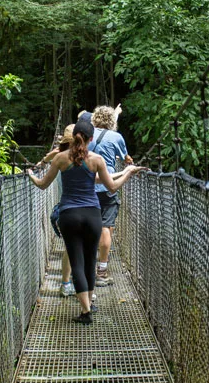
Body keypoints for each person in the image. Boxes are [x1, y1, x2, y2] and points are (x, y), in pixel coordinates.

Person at [28, 120, 144, 325]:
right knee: (91, 261)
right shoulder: (97, 160)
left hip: (69, 216)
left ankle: (85, 311)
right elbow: (111, 186)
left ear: (74, 137)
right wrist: (127, 172)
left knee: (77, 262)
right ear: (91, 139)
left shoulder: (60, 159)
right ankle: (89, 304)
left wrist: (30, 175)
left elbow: (43, 185)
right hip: (93, 216)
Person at [88, 105, 131, 286]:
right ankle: (102, 271)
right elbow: (124, 157)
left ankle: (85, 269)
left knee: (88, 227)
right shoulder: (116, 137)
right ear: (112, 121)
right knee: (106, 227)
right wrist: (130, 162)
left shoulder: (86, 135)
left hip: (87, 185)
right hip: (108, 185)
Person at [42, 124, 76, 297]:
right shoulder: (88, 156)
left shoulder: (58, 155)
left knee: (70, 247)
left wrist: (38, 166)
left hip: (64, 207)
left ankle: (65, 283)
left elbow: (43, 181)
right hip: (85, 207)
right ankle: (82, 286)